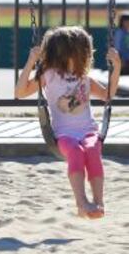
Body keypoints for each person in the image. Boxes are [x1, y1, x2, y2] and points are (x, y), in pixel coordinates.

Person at [15, 26, 121, 219]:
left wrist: (117, 67)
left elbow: (108, 96)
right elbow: (20, 92)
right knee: (76, 152)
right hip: (63, 135)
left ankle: (98, 202)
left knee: (92, 150)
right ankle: (82, 203)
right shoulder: (49, 75)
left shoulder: (84, 78)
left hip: (88, 131)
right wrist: (31, 61)